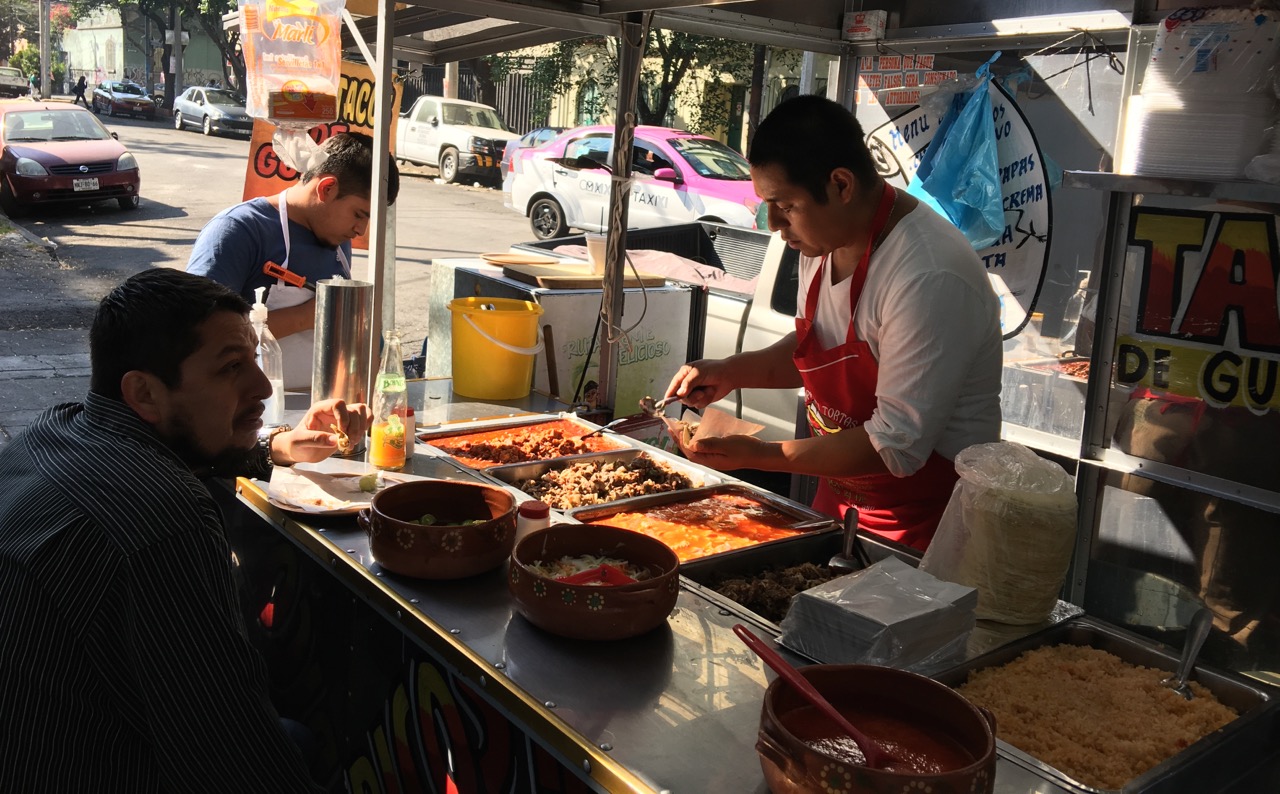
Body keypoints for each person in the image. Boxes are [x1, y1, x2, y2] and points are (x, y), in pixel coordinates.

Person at [0, 268, 370, 791]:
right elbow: (232, 755)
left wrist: (272, 448)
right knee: (296, 742)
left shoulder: (51, 430)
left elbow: (173, 450)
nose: (263, 386)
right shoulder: (165, 524)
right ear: (145, 393)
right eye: (231, 368)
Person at [664, 95, 1003, 551]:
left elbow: (896, 446)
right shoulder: (822, 242)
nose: (773, 224)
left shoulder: (927, 273)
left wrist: (761, 457)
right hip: (840, 504)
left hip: (924, 532)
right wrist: (729, 371)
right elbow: (815, 347)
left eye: (784, 204)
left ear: (841, 185)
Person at [187, 132, 400, 389]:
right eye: (359, 214)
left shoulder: (337, 241)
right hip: (249, 411)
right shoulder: (238, 231)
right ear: (327, 188)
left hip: (320, 405)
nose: (361, 230)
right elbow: (198, 335)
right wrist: (305, 317)